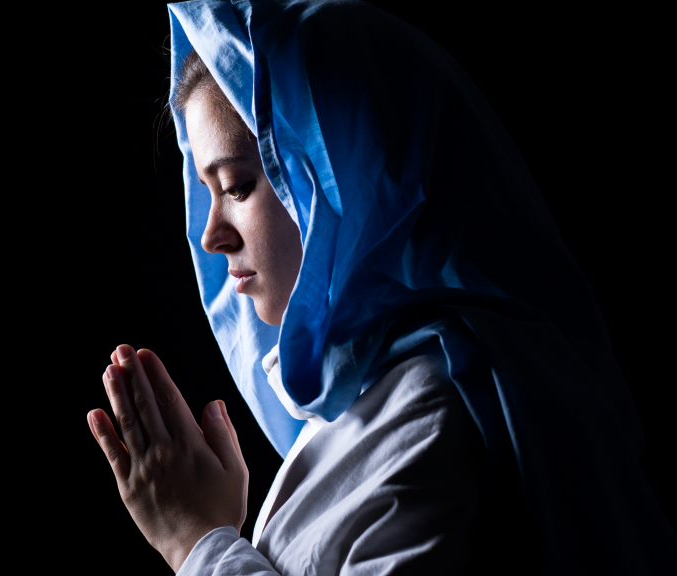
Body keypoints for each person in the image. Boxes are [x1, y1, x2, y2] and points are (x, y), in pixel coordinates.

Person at [87, 1, 675, 574]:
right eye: (207, 191)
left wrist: (199, 542)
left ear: (340, 172)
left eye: (238, 185)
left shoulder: (441, 413)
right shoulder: (378, 400)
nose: (211, 235)